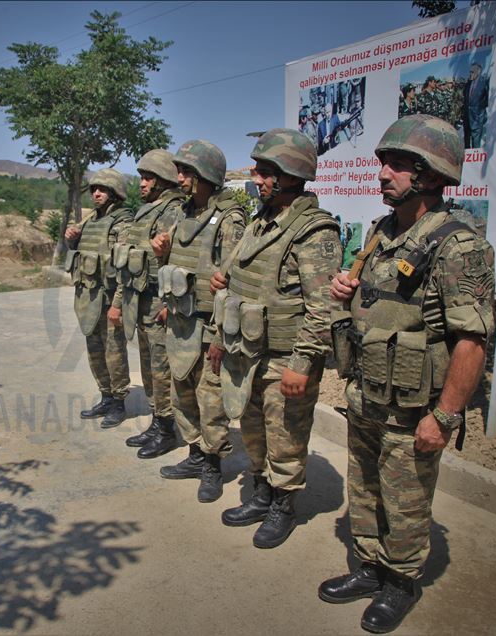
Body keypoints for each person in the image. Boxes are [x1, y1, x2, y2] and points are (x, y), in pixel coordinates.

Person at [318, 115, 495, 633]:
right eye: (383, 162)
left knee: (407, 500)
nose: (383, 173)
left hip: (413, 408)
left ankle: (400, 581)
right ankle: (370, 565)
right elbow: (374, 304)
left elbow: (471, 342)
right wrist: (346, 296)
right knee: (367, 490)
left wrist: (444, 417)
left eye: (398, 165)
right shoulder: (381, 232)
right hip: (368, 394)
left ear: (433, 176)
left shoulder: (457, 246)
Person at [210, 129, 341, 548]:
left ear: (291, 175)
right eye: (258, 170)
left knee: (285, 437)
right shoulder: (260, 220)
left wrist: (301, 365)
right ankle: (262, 492)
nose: (257, 177)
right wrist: (218, 336)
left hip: (285, 357)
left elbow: (322, 308)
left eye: (266, 171)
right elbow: (232, 283)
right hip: (247, 351)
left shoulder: (314, 231)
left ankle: (283, 505)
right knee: (252, 430)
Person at [151, 140, 246, 502]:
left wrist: (222, 336)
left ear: (206, 175)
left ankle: (212, 465)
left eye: (187, 171)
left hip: (209, 325)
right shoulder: (181, 214)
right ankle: (194, 454)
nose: (180, 178)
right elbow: (173, 268)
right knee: (183, 393)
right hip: (180, 320)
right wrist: (161, 259)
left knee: (210, 400)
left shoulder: (229, 219)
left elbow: (234, 280)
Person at [112, 150, 186, 458]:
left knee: (161, 367)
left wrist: (171, 304)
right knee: (147, 364)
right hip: (139, 298)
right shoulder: (145, 211)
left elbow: (180, 260)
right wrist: (119, 301)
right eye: (141, 177)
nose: (141, 183)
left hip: (159, 298)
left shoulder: (174, 211)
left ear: (163, 180)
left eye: (147, 178)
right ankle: (157, 422)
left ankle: (167, 428)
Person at [64, 168, 134, 429]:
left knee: (114, 354)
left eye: (102, 189)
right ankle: (105, 395)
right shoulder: (90, 221)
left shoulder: (122, 223)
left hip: (108, 301)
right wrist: (72, 240)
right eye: (94, 189)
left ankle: (118, 402)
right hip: (89, 300)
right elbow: (80, 255)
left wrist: (117, 305)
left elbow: (124, 269)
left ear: (115, 193)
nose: (96, 193)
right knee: (95, 353)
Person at [462, 62, 489, 147]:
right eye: (470, 72)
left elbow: (488, 98)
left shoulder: (484, 82)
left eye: (472, 72)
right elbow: (465, 99)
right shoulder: (468, 85)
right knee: (466, 141)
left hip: (477, 117)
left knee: (476, 142)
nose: (470, 74)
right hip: (467, 118)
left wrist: (481, 110)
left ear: (479, 71)